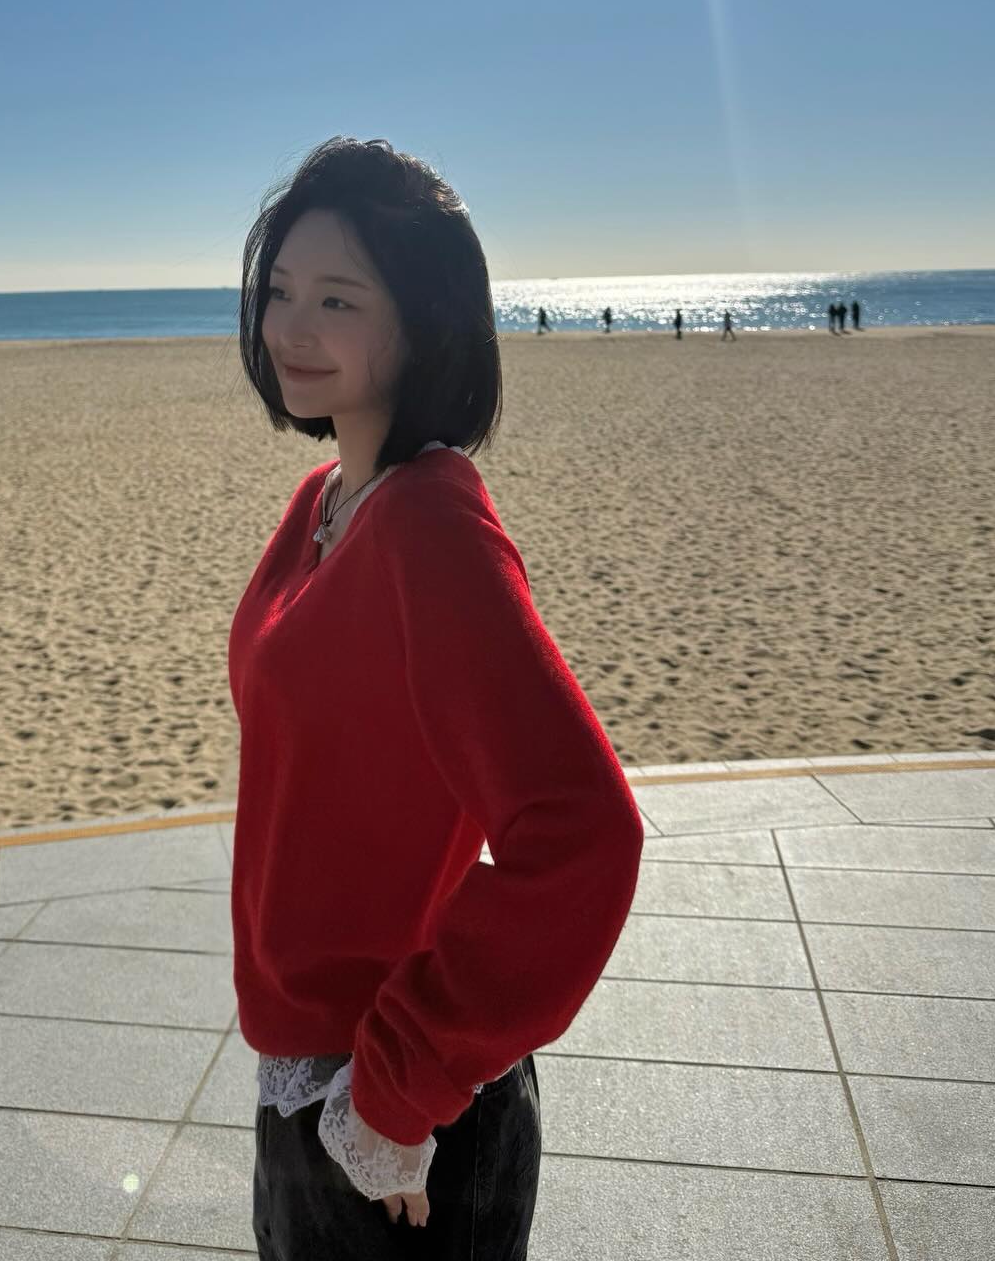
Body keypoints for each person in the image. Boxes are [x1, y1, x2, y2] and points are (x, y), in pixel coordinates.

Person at [232, 137, 643, 1258]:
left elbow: (584, 833)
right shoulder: (322, 502)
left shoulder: (431, 526)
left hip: (396, 1123)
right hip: (303, 1081)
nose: (291, 327)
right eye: (280, 291)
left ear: (423, 322)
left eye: (337, 299)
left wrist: (398, 1088)